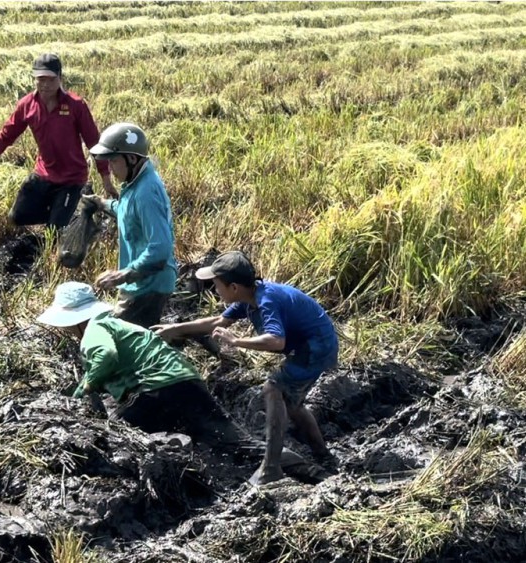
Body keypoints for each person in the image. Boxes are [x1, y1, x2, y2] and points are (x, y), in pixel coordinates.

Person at [37, 281, 330, 485]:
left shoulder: (94, 329)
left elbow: (106, 356)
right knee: (239, 443)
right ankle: (317, 475)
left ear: (73, 319)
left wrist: (83, 389)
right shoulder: (119, 323)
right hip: (186, 382)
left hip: (156, 390)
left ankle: (175, 481)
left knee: (116, 434)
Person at [153, 251, 339, 484]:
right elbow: (217, 322)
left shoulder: (267, 300)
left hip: (317, 347)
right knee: (291, 403)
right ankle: (323, 455)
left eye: (216, 285)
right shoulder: (247, 298)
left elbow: (276, 340)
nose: (215, 290)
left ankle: (270, 468)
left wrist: (236, 341)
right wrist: (175, 330)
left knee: (273, 388)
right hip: (309, 345)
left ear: (233, 287)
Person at [0, 53, 115, 230]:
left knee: (54, 231)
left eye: (50, 79)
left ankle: (68, 213)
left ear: (60, 78)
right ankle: (68, 212)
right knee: (17, 217)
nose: (45, 85)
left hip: (72, 179)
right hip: (43, 174)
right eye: (40, 79)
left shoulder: (76, 105)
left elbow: (94, 143)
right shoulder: (27, 105)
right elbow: (6, 136)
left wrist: (106, 178)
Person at [81, 123, 177, 328]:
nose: (110, 168)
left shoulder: (145, 193)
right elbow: (129, 213)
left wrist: (121, 275)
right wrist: (102, 204)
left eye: (113, 161)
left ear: (131, 159)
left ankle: (191, 334)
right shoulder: (136, 182)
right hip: (141, 282)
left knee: (121, 336)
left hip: (150, 285)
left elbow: (160, 249)